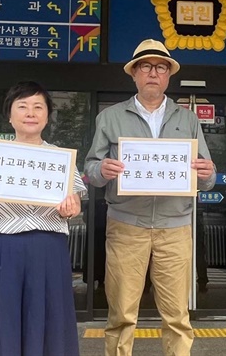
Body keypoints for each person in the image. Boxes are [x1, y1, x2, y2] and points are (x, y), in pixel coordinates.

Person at [84, 39, 216, 356]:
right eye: (146, 66)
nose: (153, 73)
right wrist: (103, 169)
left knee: (177, 317)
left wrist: (208, 172)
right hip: (126, 226)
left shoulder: (188, 120)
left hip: (176, 229)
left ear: (168, 75)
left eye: (160, 67)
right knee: (121, 316)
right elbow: (89, 170)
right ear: (134, 74)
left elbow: (208, 177)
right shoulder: (111, 117)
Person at [0, 81, 87, 356]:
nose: (30, 112)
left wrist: (70, 209)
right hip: (2, 247)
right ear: (10, 115)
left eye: (37, 107)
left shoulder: (60, 157)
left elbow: (75, 204)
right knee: (1, 316)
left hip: (47, 248)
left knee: (48, 318)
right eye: (22, 106)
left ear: (47, 115)